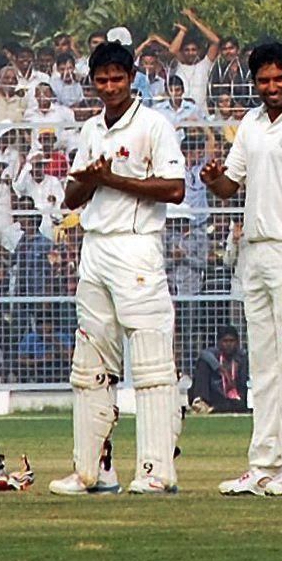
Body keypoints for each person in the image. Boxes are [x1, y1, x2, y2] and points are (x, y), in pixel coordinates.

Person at [48, 40, 186, 496]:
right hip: (96, 247)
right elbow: (71, 197)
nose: (109, 87)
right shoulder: (90, 131)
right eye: (102, 80)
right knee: (90, 363)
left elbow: (174, 189)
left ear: (131, 78)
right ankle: (93, 470)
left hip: (136, 248)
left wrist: (110, 179)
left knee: (149, 361)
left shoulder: (153, 125)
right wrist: (91, 179)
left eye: (117, 78)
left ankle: (156, 470)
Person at [202, 42, 282, 496]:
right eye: (264, 80)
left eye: (280, 79)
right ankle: (265, 462)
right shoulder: (252, 123)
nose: (272, 87)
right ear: (254, 82)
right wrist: (212, 176)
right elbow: (229, 186)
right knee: (266, 363)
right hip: (255, 252)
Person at [168, 8, 221, 109]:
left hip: (201, 115)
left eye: (193, 50)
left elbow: (216, 41)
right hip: (180, 114)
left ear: (198, 51)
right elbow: (172, 51)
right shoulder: (177, 66)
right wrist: (182, 31)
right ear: (182, 52)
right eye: (187, 50)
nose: (190, 53)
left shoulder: (204, 65)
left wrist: (194, 21)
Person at [190, 326, 250, 414]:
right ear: (219, 343)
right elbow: (203, 354)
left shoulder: (241, 357)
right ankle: (201, 401)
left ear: (237, 343)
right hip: (216, 395)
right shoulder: (214, 354)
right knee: (203, 364)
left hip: (235, 398)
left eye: (232, 341)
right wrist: (219, 368)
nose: (229, 344)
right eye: (225, 341)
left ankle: (213, 409)